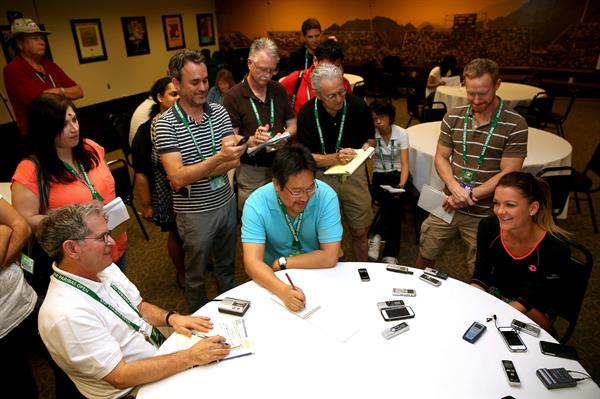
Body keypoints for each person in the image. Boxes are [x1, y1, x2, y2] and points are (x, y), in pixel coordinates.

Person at [36, 203, 231, 399]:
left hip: (154, 345)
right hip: (132, 388)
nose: (112, 242)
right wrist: (191, 357)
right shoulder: (66, 314)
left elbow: (139, 307)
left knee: (224, 344)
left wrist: (171, 318)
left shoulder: (100, 267)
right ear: (72, 248)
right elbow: (120, 376)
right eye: (102, 237)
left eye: (109, 233)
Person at [416, 58, 528, 273]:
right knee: (425, 254)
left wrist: (470, 195)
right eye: (470, 93)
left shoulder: (515, 124)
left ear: (497, 85)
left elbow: (510, 171)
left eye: (483, 93)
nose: (476, 100)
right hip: (447, 202)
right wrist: (455, 188)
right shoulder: (453, 117)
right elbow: (441, 157)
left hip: (485, 212)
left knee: (480, 271)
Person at [155, 49, 246, 312]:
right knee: (195, 274)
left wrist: (197, 170)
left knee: (227, 266)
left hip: (225, 202)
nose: (203, 87)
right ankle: (199, 320)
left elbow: (234, 161)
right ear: (176, 83)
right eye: (195, 82)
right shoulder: (165, 124)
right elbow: (177, 177)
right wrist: (217, 158)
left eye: (205, 80)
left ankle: (231, 313)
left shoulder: (219, 112)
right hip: (194, 213)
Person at [11, 93, 128, 282]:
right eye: (64, 125)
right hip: (78, 259)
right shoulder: (30, 170)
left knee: (122, 296)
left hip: (113, 241)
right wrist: (77, 219)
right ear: (45, 130)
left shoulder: (90, 148)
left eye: (74, 120)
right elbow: (25, 220)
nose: (74, 129)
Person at [242, 144, 342, 311]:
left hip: (317, 271)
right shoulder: (256, 204)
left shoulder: (326, 196)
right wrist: (283, 291)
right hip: (274, 279)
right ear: (276, 184)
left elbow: (330, 256)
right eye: (296, 191)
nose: (304, 198)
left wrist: (283, 262)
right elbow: (252, 263)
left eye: (310, 188)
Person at [470, 172, 571, 332]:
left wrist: (491, 318)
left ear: (532, 208)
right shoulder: (488, 227)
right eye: (496, 203)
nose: (500, 211)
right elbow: (480, 275)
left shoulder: (555, 248)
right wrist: (470, 300)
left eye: (510, 205)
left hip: (533, 313)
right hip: (496, 301)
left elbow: (529, 299)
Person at [297, 64, 375, 261]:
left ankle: (363, 272)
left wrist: (367, 147)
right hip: (322, 177)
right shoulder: (307, 114)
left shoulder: (357, 105)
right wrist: (334, 158)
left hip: (353, 174)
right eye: (332, 95)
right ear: (318, 94)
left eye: (342, 91)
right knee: (325, 235)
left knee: (359, 231)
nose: (340, 99)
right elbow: (305, 157)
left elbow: (370, 138)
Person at [223, 37, 296, 211]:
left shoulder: (278, 89)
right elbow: (230, 137)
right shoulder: (234, 96)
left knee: (282, 214)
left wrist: (285, 136)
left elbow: (293, 124)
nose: (267, 76)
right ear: (250, 63)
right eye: (263, 70)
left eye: (272, 70)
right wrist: (251, 140)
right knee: (254, 218)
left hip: (280, 165)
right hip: (251, 171)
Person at [131, 77, 185, 288]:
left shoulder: (189, 121)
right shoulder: (146, 132)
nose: (178, 98)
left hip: (195, 189)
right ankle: (182, 273)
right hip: (167, 193)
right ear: (159, 98)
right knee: (177, 234)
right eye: (173, 94)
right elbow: (141, 172)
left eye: (180, 92)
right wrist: (146, 205)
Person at [3, 18, 83, 134]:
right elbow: (41, 102)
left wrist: (59, 91)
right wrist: (64, 93)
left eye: (41, 38)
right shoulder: (13, 70)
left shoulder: (49, 65)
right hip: (39, 134)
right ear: (20, 44)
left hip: (64, 128)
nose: (42, 42)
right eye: (35, 38)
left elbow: (79, 91)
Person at [367, 99, 416, 264]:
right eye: (374, 118)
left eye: (381, 117)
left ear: (390, 117)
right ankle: (391, 254)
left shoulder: (401, 133)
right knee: (394, 206)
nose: (378, 122)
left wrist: (401, 185)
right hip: (380, 175)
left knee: (394, 200)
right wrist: (366, 148)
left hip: (398, 175)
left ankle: (376, 234)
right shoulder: (371, 135)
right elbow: (366, 155)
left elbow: (405, 163)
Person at [0, 195, 38, 399]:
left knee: (69, 367)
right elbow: (7, 228)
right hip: (2, 329)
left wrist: (6, 233)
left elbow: (20, 227)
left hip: (26, 300)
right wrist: (4, 233)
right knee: (23, 390)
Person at [281, 39, 352, 116]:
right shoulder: (295, 79)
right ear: (315, 61)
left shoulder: (343, 83)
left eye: (336, 67)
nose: (331, 72)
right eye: (326, 67)